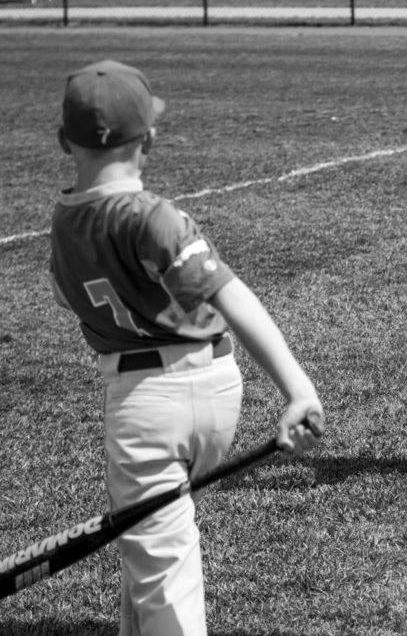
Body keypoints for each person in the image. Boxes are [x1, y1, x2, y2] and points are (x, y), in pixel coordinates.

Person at [49, 59, 325, 635]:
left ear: (62, 141)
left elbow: (64, 295)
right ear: (148, 138)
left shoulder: (64, 224)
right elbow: (231, 297)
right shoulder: (153, 216)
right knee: (150, 558)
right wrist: (297, 388)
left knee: (165, 579)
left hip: (142, 404)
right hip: (218, 389)